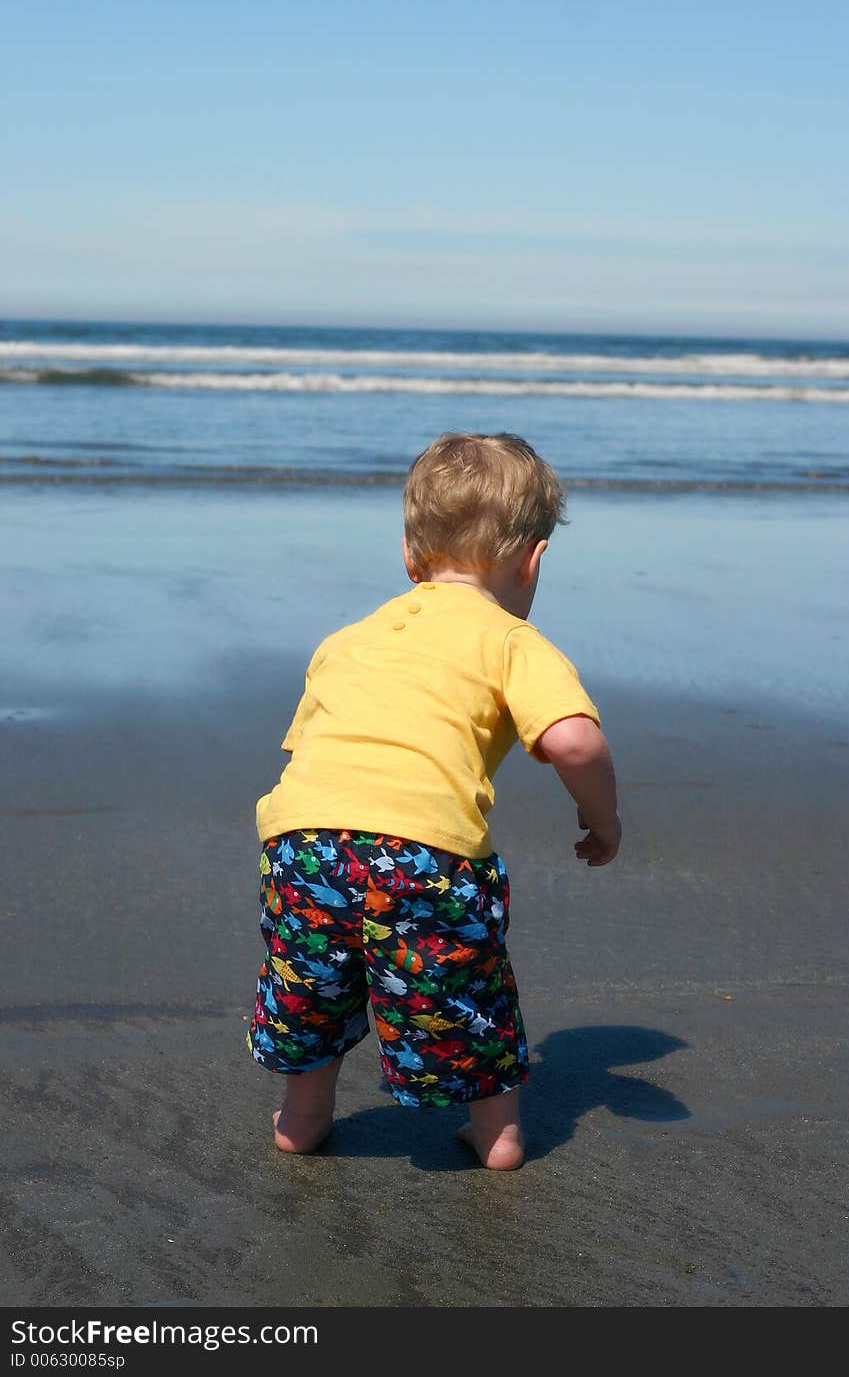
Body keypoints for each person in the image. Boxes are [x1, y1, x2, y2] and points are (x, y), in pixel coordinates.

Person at [247, 432, 621, 1170]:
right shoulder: (512, 640)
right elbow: (575, 742)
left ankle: (302, 1118)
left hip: (303, 841)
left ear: (410, 556)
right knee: (465, 984)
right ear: (533, 558)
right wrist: (603, 820)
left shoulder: (346, 639)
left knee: (312, 981)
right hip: (423, 852)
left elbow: (304, 748)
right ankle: (497, 1134)